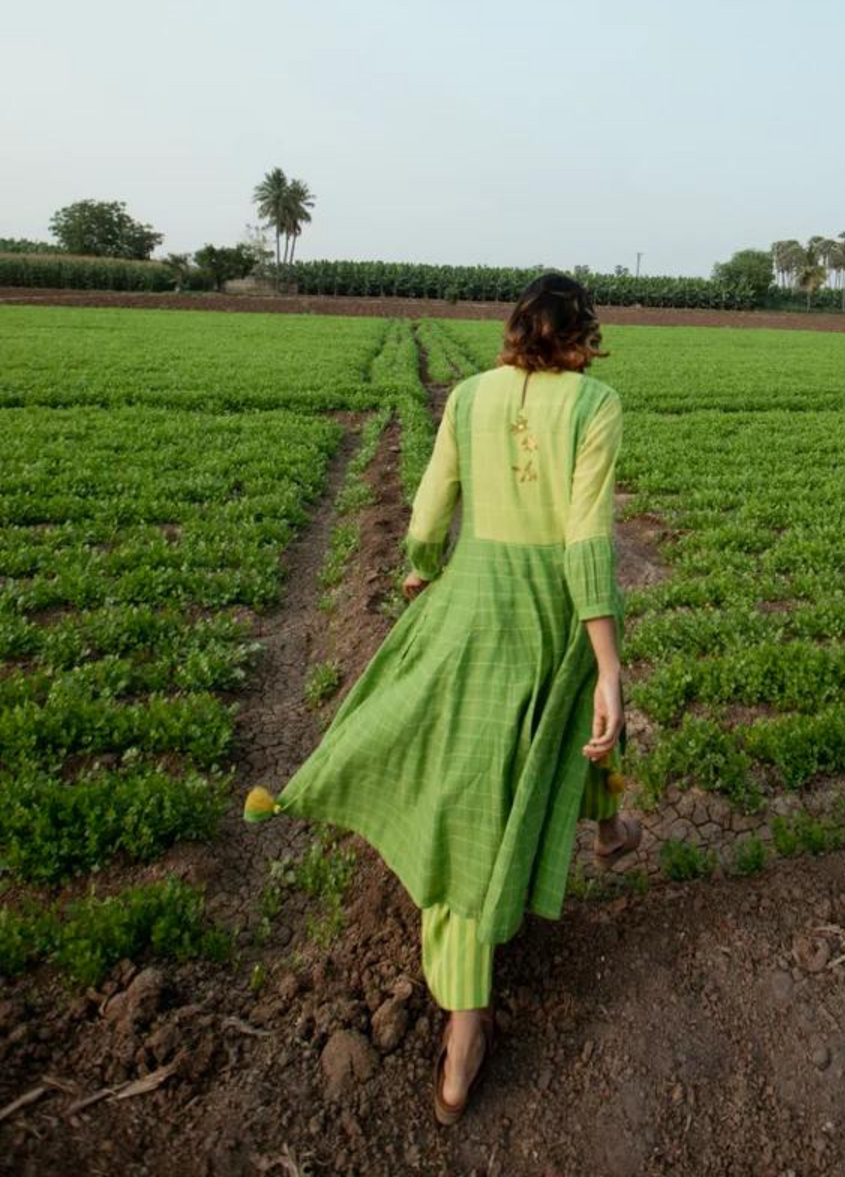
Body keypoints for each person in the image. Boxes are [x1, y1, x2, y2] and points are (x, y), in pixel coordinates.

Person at [242, 271, 640, 1124]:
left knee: (463, 780)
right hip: (549, 611)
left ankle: (601, 838)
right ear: (582, 334)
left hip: (472, 597)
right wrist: (607, 658)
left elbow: (429, 507)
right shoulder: (595, 403)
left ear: (513, 329)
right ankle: (477, 1017)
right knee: (583, 718)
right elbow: (585, 538)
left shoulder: (465, 398)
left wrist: (423, 562)